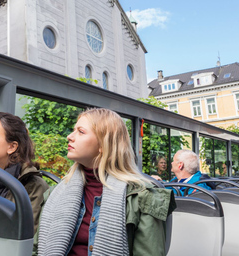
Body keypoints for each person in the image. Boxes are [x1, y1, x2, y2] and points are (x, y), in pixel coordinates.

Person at [34, 108, 175, 256]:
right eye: (73, 131)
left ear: (103, 144)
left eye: (81, 132)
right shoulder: (55, 194)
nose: (70, 136)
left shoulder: (142, 197)